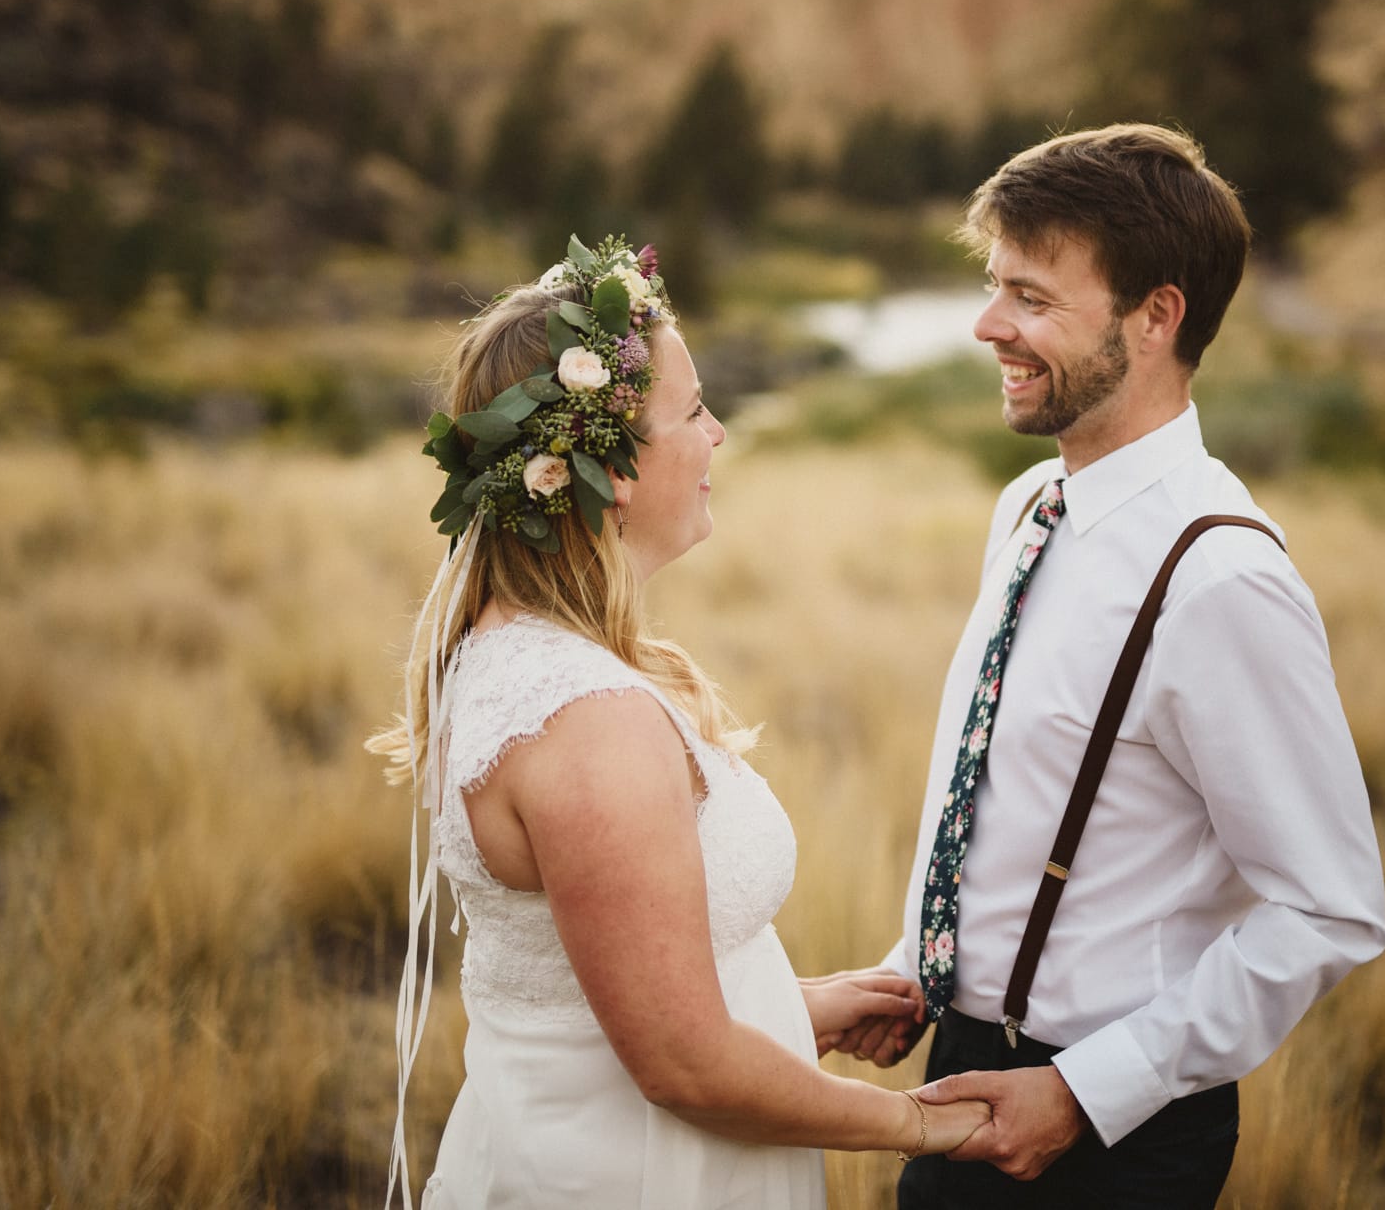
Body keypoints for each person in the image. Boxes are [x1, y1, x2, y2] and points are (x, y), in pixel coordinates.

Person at [368, 235, 988, 1209]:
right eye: (693, 410)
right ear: (607, 470)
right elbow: (686, 1069)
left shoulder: (510, 655)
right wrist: (929, 1124)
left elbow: (601, 995)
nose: (717, 435)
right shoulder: (587, 724)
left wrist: (791, 1013)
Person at [835, 125, 1385, 1207]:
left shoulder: (1220, 579)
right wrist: (917, 966)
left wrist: (1086, 1093)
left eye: (1032, 299)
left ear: (1155, 316)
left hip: (1109, 1141)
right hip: (957, 1069)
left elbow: (1328, 908)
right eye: (996, 287)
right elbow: (1003, 798)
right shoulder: (1030, 509)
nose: (989, 325)